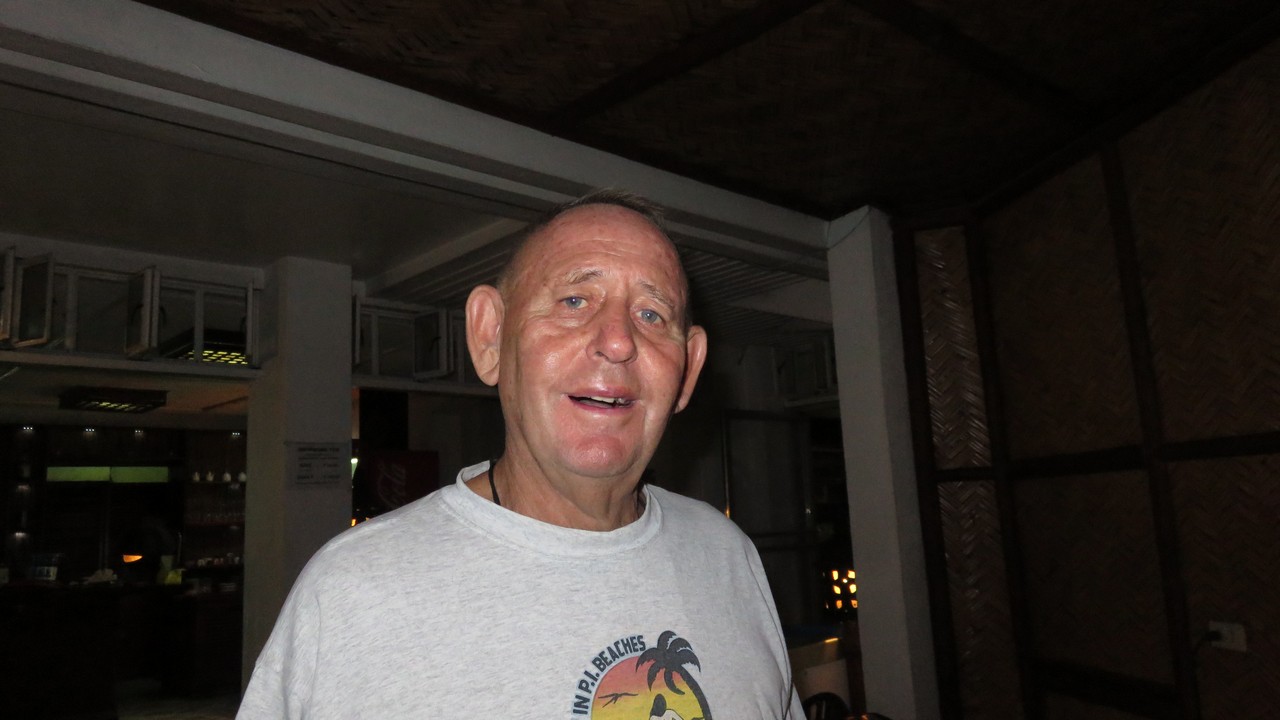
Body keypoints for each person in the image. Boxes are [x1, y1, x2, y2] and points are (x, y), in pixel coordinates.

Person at [237, 190, 804, 718]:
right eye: (574, 300)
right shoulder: (354, 591)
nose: (618, 341)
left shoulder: (729, 555)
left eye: (652, 315)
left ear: (689, 369)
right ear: (490, 337)